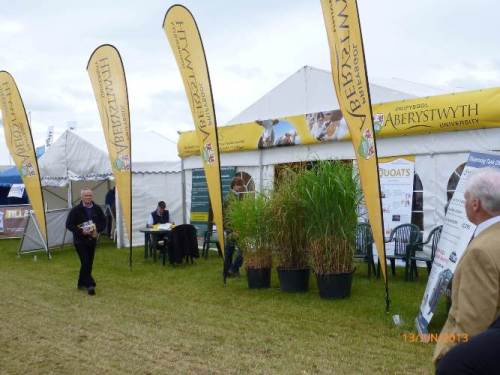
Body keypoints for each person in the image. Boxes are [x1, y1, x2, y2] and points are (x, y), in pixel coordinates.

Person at [433, 168, 500, 364]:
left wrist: (449, 357)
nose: (464, 204)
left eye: (465, 199)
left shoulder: (481, 252)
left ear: (475, 204)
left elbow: (472, 323)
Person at [66, 188, 106, 296]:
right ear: (82, 197)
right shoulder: (75, 210)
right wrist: (81, 231)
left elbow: (103, 221)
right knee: (85, 262)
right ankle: (90, 285)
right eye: (86, 196)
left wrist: (98, 230)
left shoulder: (97, 208)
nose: (88, 197)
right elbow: (69, 225)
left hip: (92, 240)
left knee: (89, 263)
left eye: (90, 195)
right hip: (80, 241)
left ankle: (80, 283)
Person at [223, 177, 246, 279]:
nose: (241, 187)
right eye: (239, 185)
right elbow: (229, 215)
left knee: (238, 250)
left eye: (241, 185)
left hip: (237, 227)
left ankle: (231, 269)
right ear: (234, 185)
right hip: (232, 228)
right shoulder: (229, 197)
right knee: (232, 250)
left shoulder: (238, 196)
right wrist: (234, 229)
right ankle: (230, 270)